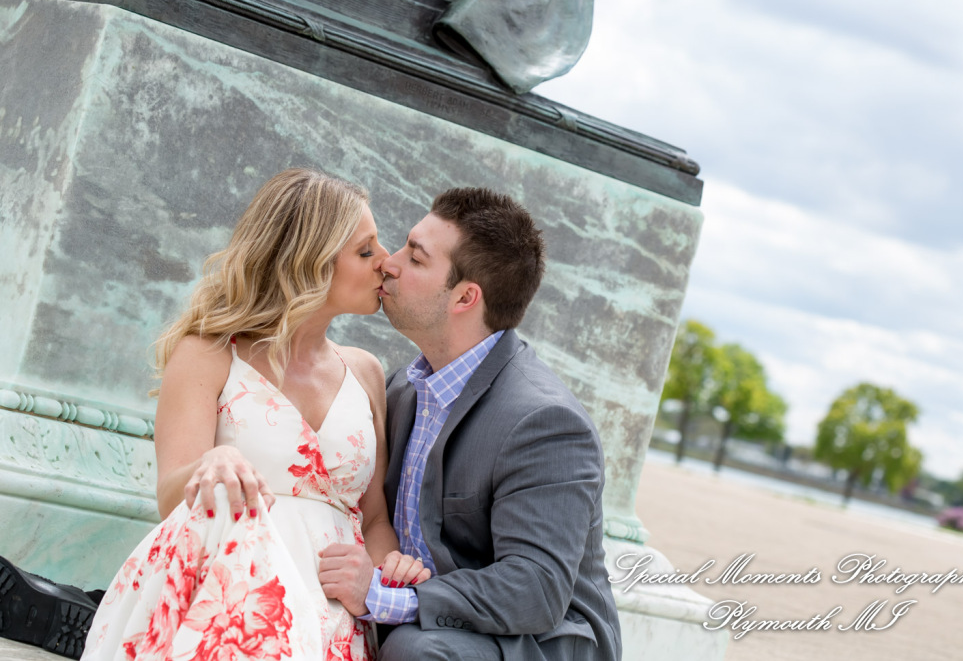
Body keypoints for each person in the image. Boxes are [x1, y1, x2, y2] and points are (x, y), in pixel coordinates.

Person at [70, 168, 427, 660]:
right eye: (365, 251)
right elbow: (170, 497)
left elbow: (373, 519)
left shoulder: (366, 372)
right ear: (310, 261)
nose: (386, 263)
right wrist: (209, 464)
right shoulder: (209, 354)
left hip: (333, 618)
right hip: (229, 603)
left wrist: (391, 568)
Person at [317, 188, 622, 660]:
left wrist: (384, 599)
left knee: (416, 650)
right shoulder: (399, 388)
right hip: (434, 620)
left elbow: (536, 589)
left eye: (415, 259)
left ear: (465, 296)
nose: (388, 264)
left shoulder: (544, 422)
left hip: (537, 642)